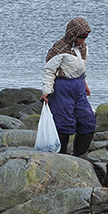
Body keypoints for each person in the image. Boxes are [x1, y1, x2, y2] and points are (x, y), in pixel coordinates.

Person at [41, 17, 97, 159]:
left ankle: (81, 154)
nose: (83, 40)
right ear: (73, 34)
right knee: (63, 122)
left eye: (85, 37)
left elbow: (82, 68)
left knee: (88, 119)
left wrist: (85, 84)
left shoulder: (83, 48)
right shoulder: (59, 49)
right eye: (81, 37)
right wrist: (47, 91)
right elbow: (49, 71)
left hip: (78, 86)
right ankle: (62, 155)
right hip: (62, 87)